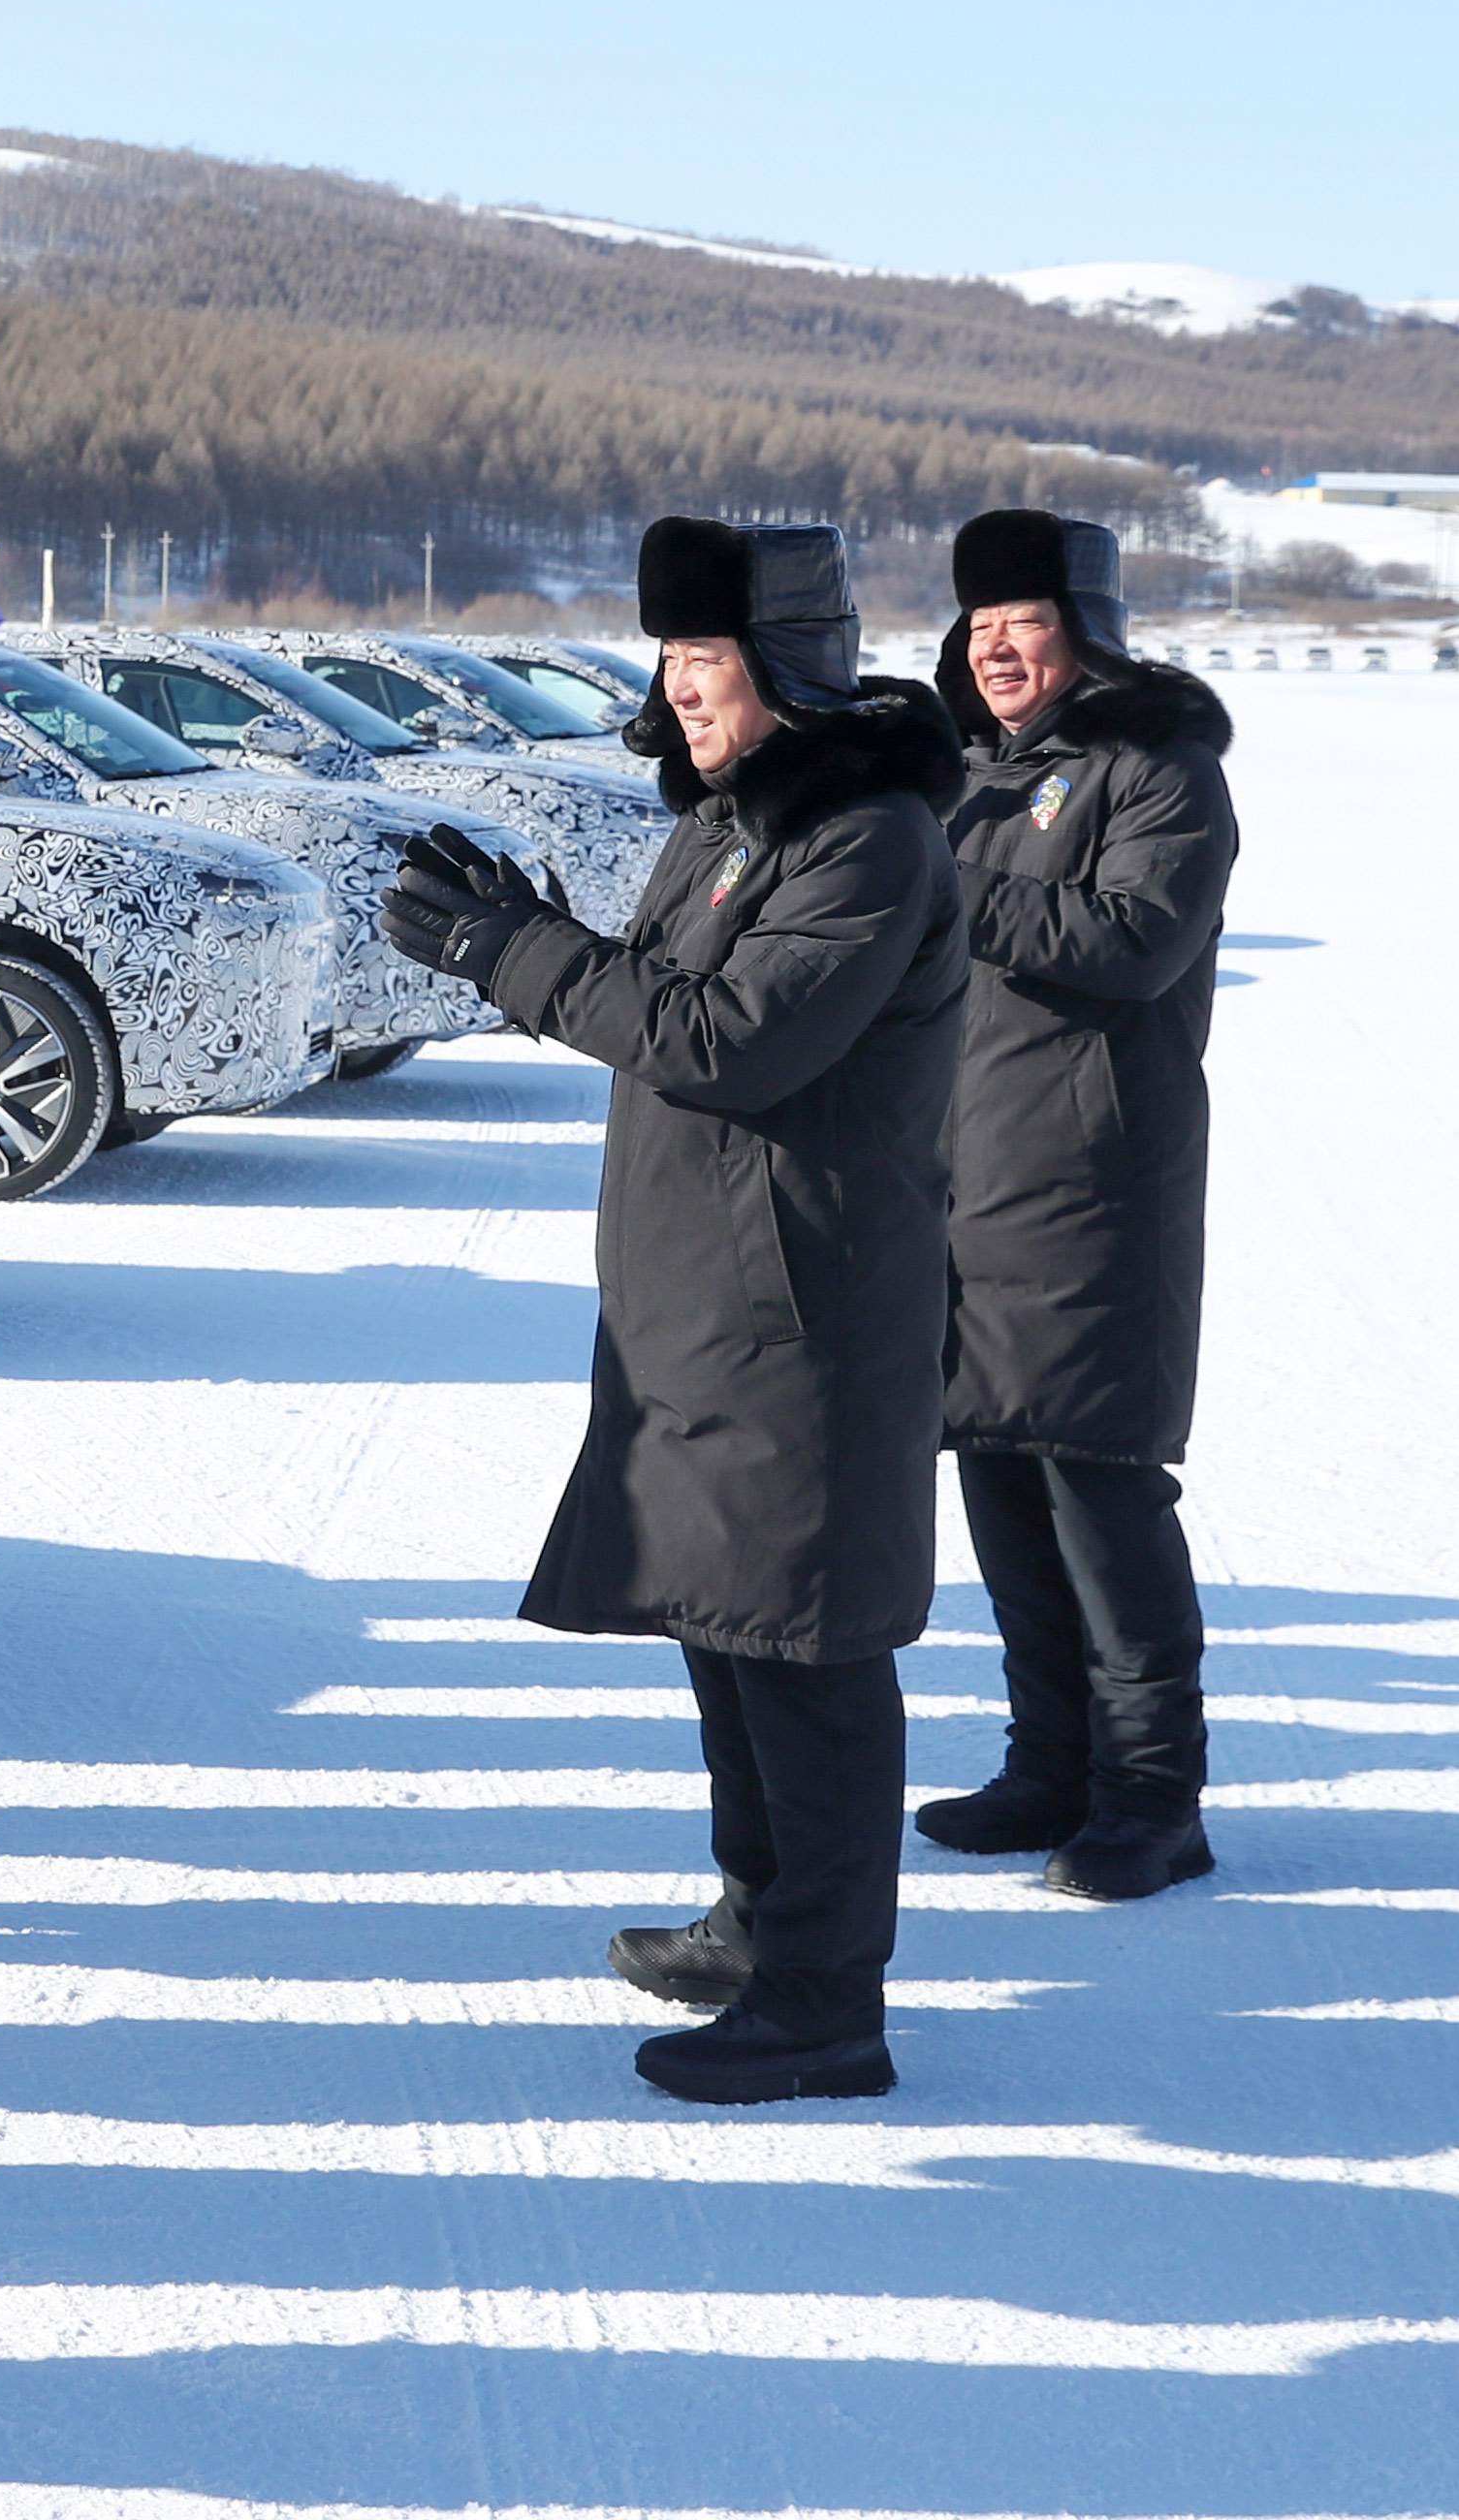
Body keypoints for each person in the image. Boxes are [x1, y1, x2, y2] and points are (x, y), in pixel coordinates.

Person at [380, 518, 963, 2107]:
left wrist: (509, 948)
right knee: (725, 1626)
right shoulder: (732, 822)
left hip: (804, 1316)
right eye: (669, 658)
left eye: (703, 660)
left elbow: (720, 1040)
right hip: (708, 1305)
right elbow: (655, 993)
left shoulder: (867, 836)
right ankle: (758, 1920)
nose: (675, 688)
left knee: (804, 1651)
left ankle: (827, 2000)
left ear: (783, 669)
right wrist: (526, 923)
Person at [916, 510, 1242, 1905]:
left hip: (1095, 1183)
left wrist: (950, 880)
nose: (998, 650)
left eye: (1027, 624)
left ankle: (1155, 1798)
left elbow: (1128, 940)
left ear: (1089, 634)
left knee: (1100, 1492)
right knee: (998, 1478)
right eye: (981, 627)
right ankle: (1047, 1764)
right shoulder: (966, 779)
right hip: (962, 1183)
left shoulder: (1160, 773)